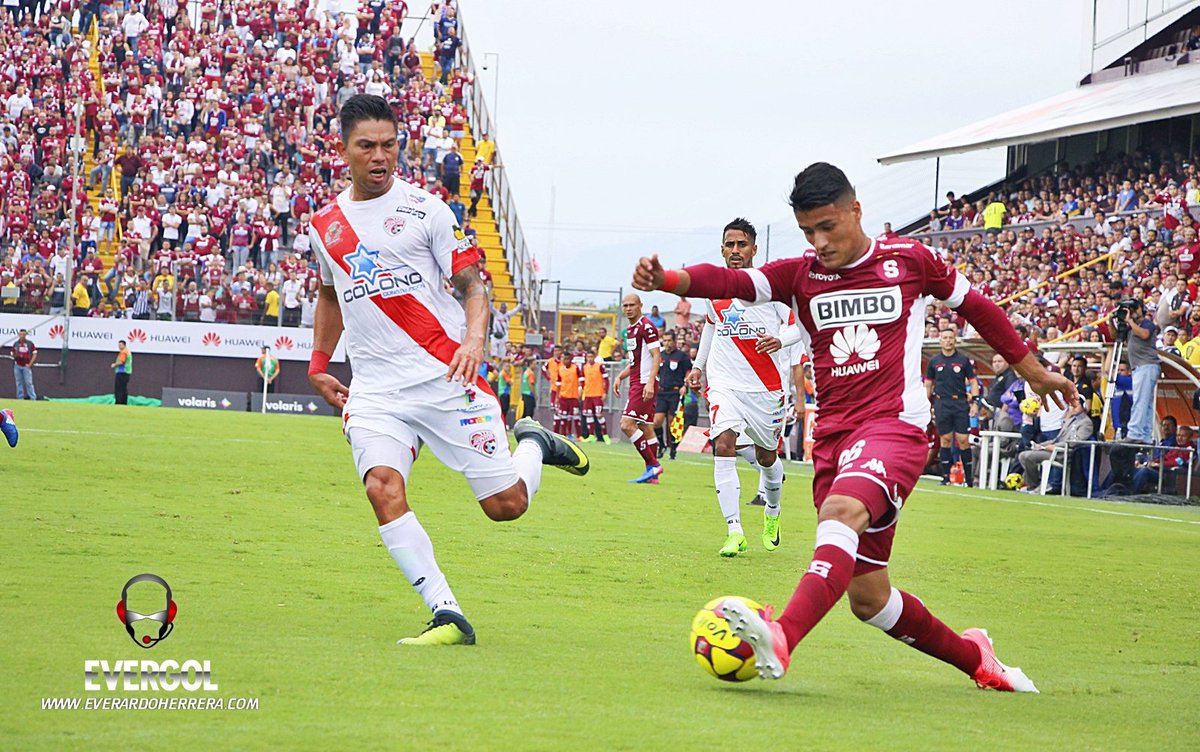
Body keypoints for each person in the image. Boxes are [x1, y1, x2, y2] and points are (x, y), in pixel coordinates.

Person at [632, 162, 1075, 691]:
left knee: (841, 513)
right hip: (835, 439)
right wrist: (669, 281)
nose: (818, 242)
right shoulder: (799, 275)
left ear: (855, 210)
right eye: (807, 232)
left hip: (896, 427)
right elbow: (729, 281)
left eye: (828, 227)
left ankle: (782, 637)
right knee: (869, 600)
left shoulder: (910, 260)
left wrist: (1030, 368)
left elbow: (975, 305)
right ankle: (978, 658)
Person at [305, 95, 588, 646]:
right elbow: (328, 295)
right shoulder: (326, 226)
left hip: (444, 376)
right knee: (382, 488)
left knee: (505, 507)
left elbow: (474, 286)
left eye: (389, 145)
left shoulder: (428, 211)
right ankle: (446, 611)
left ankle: (534, 444)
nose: (380, 156)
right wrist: (319, 364)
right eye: (367, 146)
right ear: (344, 150)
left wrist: (474, 340)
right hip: (377, 392)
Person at [686, 218, 797, 556]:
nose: (735, 251)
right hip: (725, 384)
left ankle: (773, 511)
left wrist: (780, 339)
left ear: (754, 249)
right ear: (722, 249)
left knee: (767, 456)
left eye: (741, 245)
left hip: (766, 389)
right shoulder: (713, 289)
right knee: (723, 444)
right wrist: (698, 366)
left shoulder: (771, 288)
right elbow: (711, 324)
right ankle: (734, 531)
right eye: (729, 245)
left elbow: (800, 324)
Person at [613, 294, 663, 483]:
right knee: (646, 427)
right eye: (625, 305)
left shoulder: (646, 327)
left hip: (644, 383)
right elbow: (636, 361)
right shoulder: (631, 329)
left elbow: (656, 356)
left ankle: (653, 465)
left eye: (632, 305)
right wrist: (619, 376)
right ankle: (652, 476)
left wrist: (650, 382)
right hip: (637, 381)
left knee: (626, 424)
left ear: (640, 306)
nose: (628, 308)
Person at [925, 329, 978, 486]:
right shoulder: (934, 361)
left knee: (963, 440)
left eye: (951, 338)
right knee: (945, 440)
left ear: (955, 340)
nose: (948, 341)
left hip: (960, 403)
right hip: (942, 403)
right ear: (940, 340)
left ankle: (969, 480)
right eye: (945, 338)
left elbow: (973, 381)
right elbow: (928, 384)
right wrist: (927, 404)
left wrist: (975, 402)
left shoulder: (963, 360)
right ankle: (946, 477)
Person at [1017, 397, 1093, 493]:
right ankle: (1033, 485)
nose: (1072, 408)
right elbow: (1057, 438)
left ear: (1083, 406)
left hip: (1063, 453)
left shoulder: (1086, 423)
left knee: (1028, 456)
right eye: (1071, 405)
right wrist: (1041, 445)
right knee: (1023, 455)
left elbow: (1075, 442)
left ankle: (1035, 486)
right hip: (1055, 449)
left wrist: (1055, 447)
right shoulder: (1070, 420)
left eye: (1076, 405)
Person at [1123, 300, 1159, 442]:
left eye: (1134, 309)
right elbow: (1115, 336)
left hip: (1147, 365)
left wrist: (1130, 322)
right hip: (1140, 367)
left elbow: (1144, 334)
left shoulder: (1147, 323)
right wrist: (1110, 321)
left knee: (1140, 400)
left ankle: (1134, 433)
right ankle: (1145, 435)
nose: (1132, 312)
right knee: (1147, 403)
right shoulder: (1130, 327)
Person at [654, 331, 691, 460]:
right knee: (656, 421)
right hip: (662, 392)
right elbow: (656, 372)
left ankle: (673, 449)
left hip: (675, 393)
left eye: (669, 340)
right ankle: (662, 445)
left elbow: (688, 372)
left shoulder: (682, 356)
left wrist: (684, 386)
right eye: (665, 340)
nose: (667, 343)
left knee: (672, 424)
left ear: (674, 341)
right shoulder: (660, 356)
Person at [580, 351, 609, 443]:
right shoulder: (584, 368)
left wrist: (605, 392)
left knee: (599, 415)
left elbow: (606, 380)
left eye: (591, 357)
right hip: (588, 395)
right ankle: (591, 436)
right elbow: (583, 381)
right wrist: (581, 389)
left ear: (594, 357)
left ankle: (605, 436)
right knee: (588, 415)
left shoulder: (600, 366)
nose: (589, 359)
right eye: (588, 357)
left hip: (597, 394)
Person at [11, 328, 36, 400]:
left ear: (26, 335)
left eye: (23, 334)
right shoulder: (16, 344)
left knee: (29, 382)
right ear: (18, 335)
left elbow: (34, 354)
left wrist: (30, 364)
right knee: (19, 382)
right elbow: (12, 353)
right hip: (17, 365)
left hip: (26, 366)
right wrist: (16, 356)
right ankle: (20, 398)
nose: (22, 336)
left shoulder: (30, 344)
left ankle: (32, 398)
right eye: (21, 334)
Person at [111, 340, 132, 405]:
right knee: (123, 389)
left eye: (120, 345)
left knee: (119, 389)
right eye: (118, 345)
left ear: (124, 345)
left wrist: (114, 365)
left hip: (122, 372)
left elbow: (121, 361)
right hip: (126, 373)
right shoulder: (128, 351)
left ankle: (119, 402)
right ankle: (124, 402)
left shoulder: (123, 352)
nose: (119, 346)